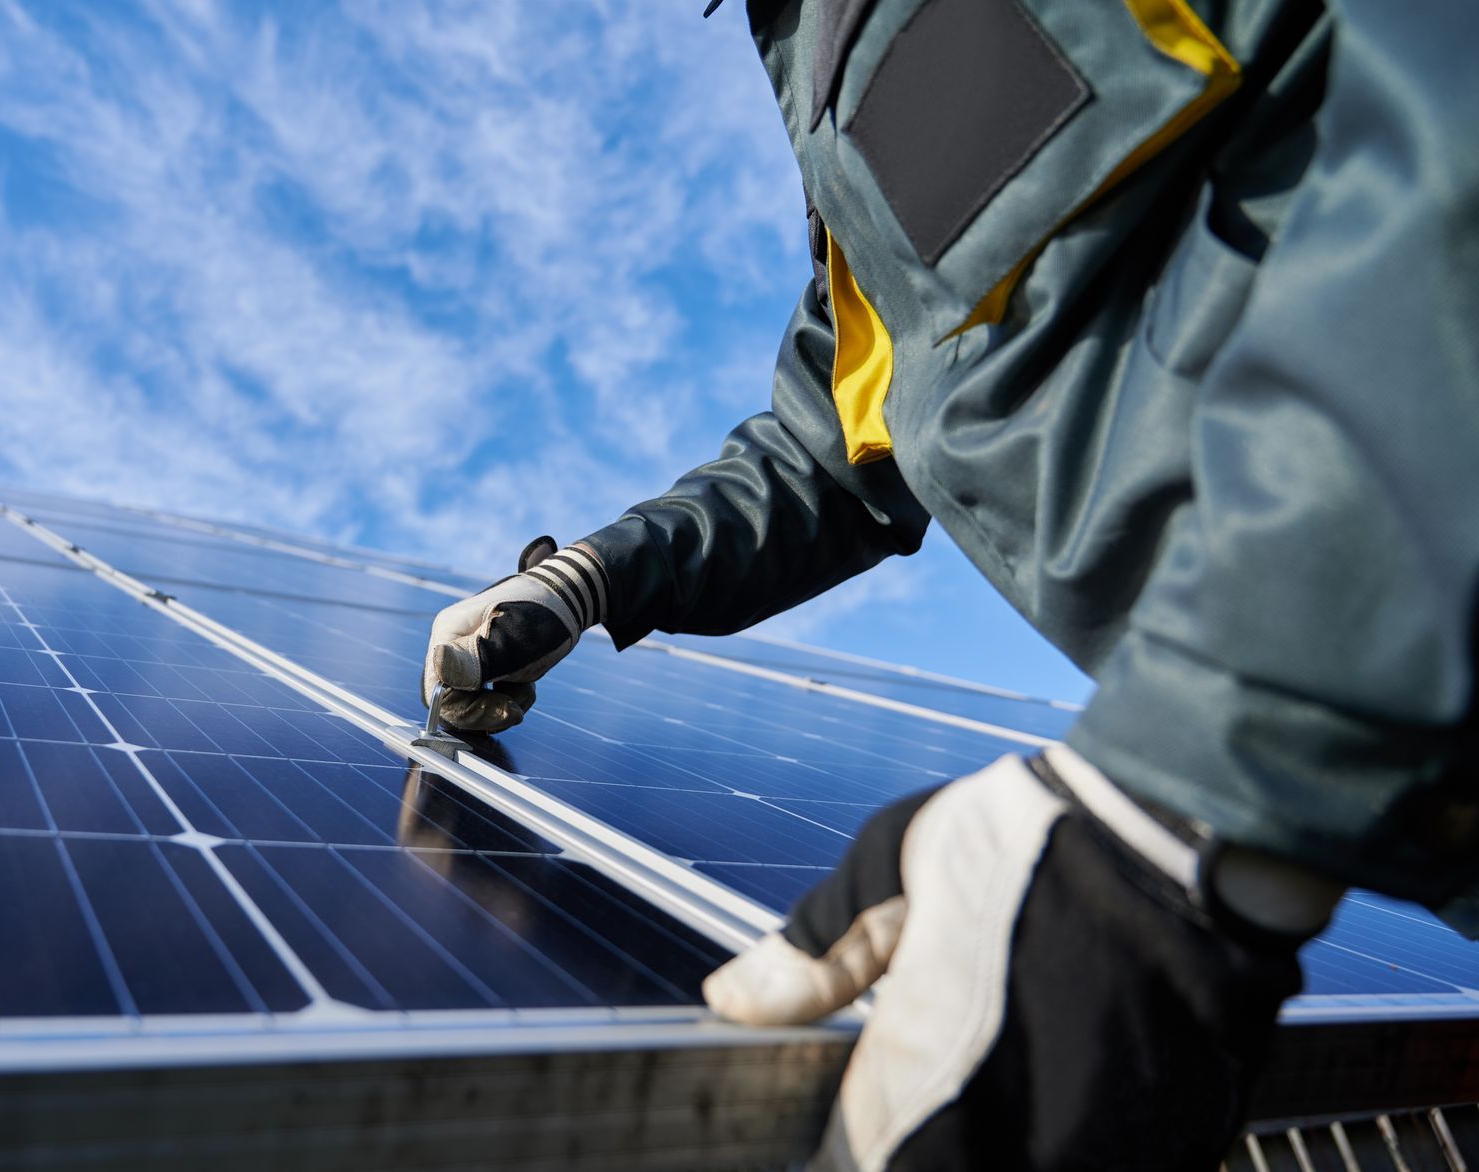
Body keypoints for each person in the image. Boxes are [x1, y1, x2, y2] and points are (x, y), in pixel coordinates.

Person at [421, 0, 1479, 1167]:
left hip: (1307, 700)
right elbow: (831, 442)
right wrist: (590, 577)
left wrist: (1169, 802)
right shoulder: (826, 102)